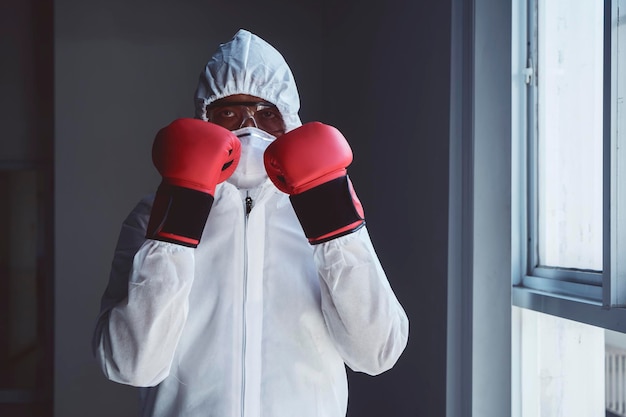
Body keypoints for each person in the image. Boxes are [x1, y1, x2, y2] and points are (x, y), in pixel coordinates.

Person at [92, 28, 409, 417]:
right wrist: (177, 223)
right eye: (229, 112)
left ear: (290, 122)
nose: (250, 127)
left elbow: (377, 351)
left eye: (267, 113)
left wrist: (337, 229)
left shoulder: (323, 210)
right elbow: (129, 365)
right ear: (204, 120)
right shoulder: (151, 214)